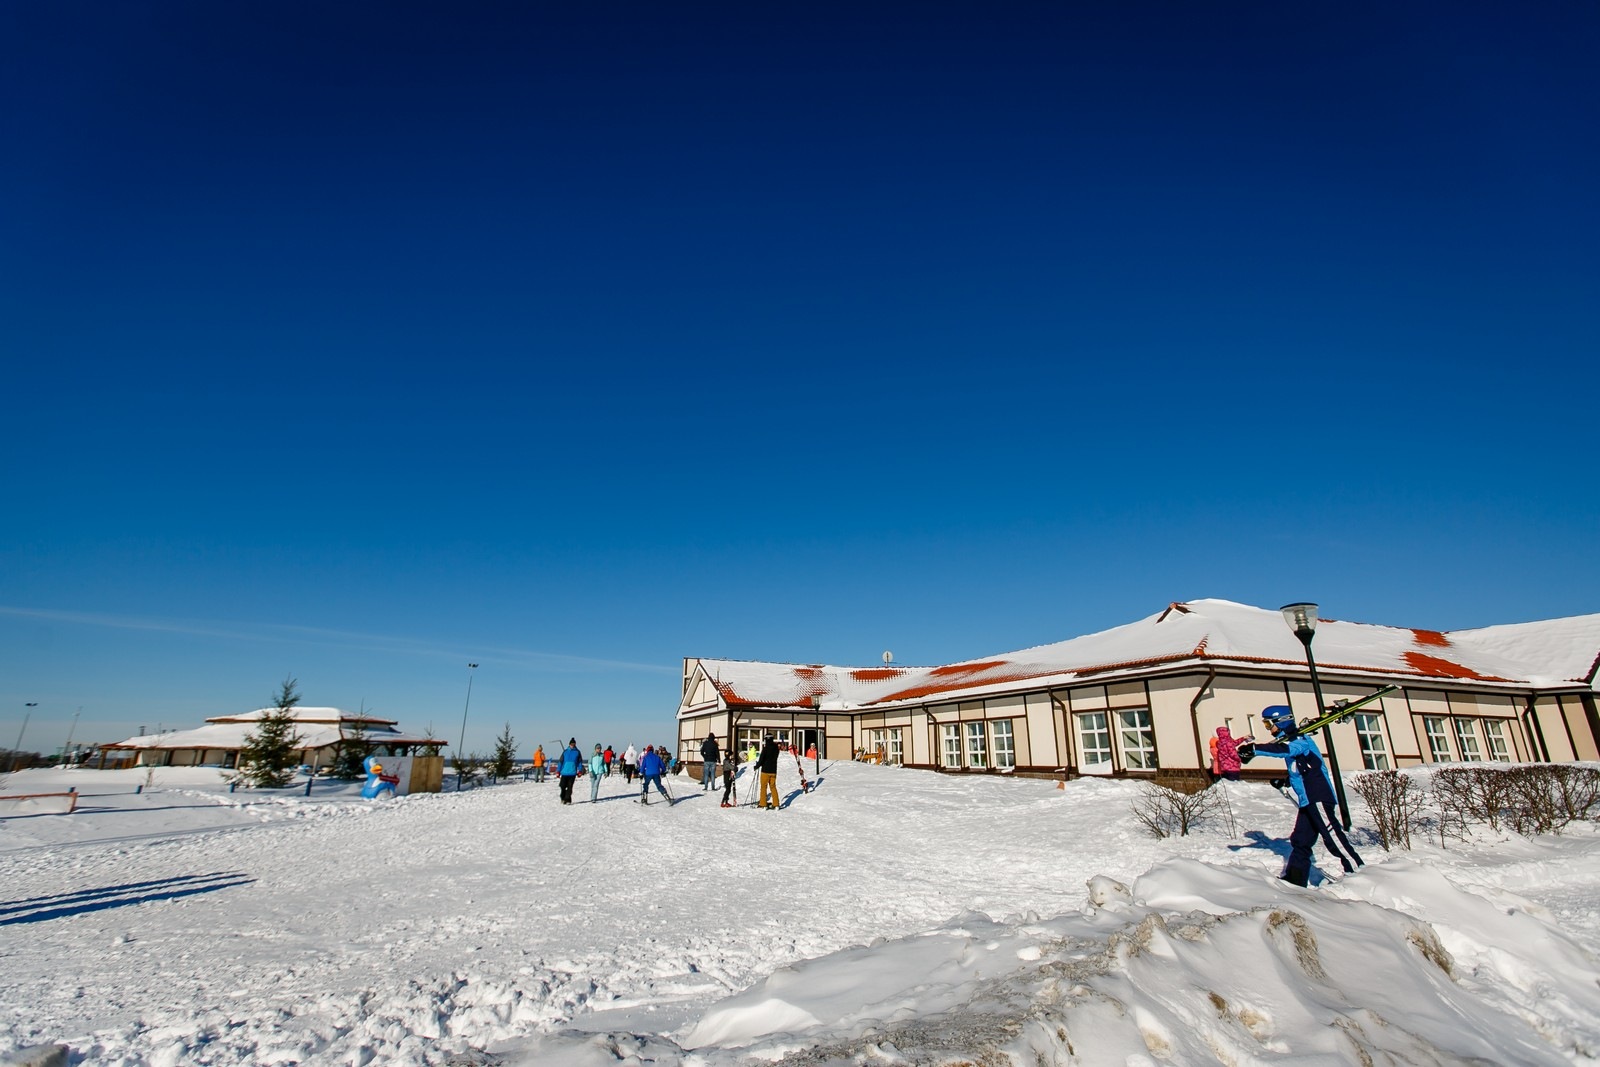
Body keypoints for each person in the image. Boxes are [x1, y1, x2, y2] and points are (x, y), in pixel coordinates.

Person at [1248, 705, 1363, 886]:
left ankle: (1359, 871)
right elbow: (1301, 768)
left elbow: (1287, 751)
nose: (1268, 729)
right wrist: (1286, 781)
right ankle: (1295, 880)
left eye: (1268, 724)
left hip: (1317, 795)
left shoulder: (1299, 739)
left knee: (1332, 836)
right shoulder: (1289, 739)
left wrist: (1254, 749)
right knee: (1301, 839)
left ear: (1281, 722)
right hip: (1307, 799)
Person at [756, 735, 781, 810]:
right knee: (773, 787)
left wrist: (757, 766)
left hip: (765, 771)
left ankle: (763, 804)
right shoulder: (776, 748)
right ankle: (776, 804)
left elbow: (761, 759)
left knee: (763, 787)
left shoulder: (765, 748)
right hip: (773, 771)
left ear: (766, 740)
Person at [557, 738, 583, 805]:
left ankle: (567, 800)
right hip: (564, 772)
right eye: (571, 744)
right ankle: (562, 797)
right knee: (562, 786)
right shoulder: (565, 752)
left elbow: (579, 762)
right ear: (569, 744)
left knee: (570, 787)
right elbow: (560, 762)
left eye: (573, 744)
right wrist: (558, 771)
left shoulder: (577, 752)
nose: (572, 745)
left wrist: (580, 771)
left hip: (572, 773)